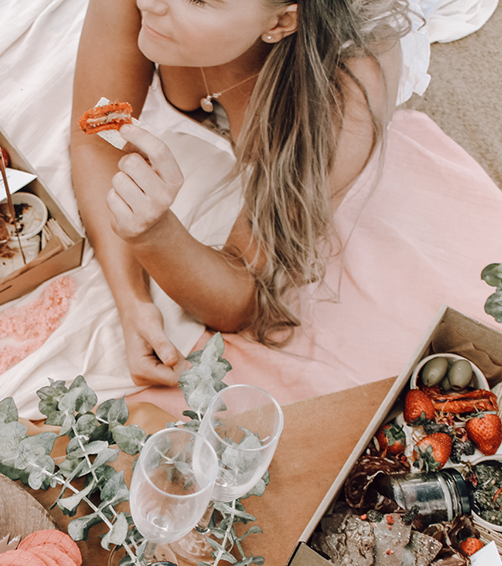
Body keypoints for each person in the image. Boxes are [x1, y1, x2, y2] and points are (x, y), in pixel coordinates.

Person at [70, 0, 415, 386]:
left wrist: (155, 233)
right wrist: (133, 300)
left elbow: (245, 296)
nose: (148, 3)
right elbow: (95, 143)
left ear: (282, 20)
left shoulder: (343, 94)